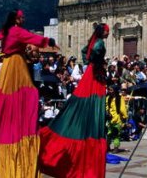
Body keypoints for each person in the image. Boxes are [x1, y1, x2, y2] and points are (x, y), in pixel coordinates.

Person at [0, 9, 55, 178]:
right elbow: (32, 38)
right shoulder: (16, 31)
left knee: (6, 101)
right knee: (26, 97)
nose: (24, 19)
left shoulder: (7, 31)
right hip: (16, 65)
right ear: (16, 19)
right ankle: (19, 130)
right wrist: (47, 40)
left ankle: (7, 129)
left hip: (7, 66)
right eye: (22, 17)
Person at [39, 23, 110, 178]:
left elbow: (85, 51)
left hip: (91, 73)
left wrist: (89, 63)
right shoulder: (100, 43)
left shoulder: (94, 41)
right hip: (95, 76)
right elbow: (94, 52)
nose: (108, 34)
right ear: (103, 32)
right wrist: (98, 64)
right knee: (94, 106)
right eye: (107, 31)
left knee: (80, 104)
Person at [106, 86, 128, 153]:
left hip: (117, 119)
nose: (110, 91)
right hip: (110, 119)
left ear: (115, 91)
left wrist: (125, 117)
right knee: (109, 134)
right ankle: (107, 147)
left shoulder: (120, 98)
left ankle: (116, 148)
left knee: (116, 134)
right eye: (109, 90)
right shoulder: (108, 98)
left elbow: (122, 109)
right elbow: (107, 107)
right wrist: (107, 113)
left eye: (111, 90)